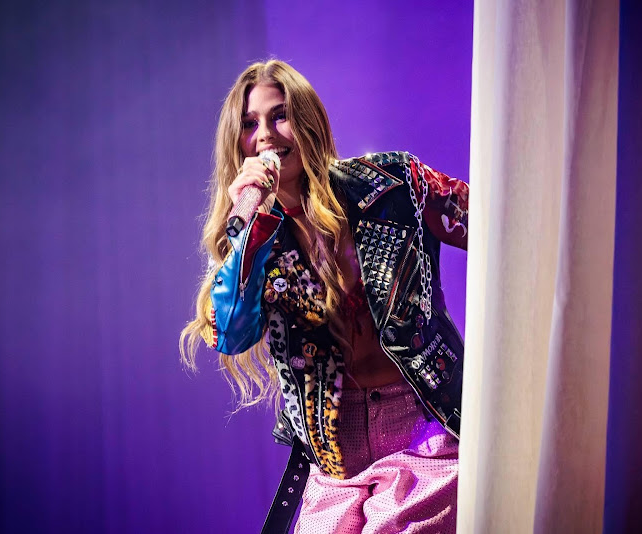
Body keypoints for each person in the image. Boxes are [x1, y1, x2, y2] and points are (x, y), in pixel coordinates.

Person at [180, 59, 469, 534]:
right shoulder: (255, 242)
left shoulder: (392, 185)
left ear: (308, 120)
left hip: (422, 433)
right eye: (249, 124)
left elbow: (494, 223)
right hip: (335, 462)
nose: (266, 135)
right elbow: (229, 334)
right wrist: (250, 233)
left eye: (280, 115)